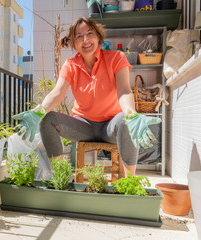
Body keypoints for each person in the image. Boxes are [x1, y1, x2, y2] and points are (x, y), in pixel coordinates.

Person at [13, 17, 161, 176]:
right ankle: (61, 176)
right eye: (79, 36)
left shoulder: (116, 58)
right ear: (74, 43)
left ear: (98, 36)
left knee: (127, 121)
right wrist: (39, 111)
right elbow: (57, 93)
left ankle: (129, 182)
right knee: (47, 119)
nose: (85, 39)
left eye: (90, 33)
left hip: (110, 126)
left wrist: (131, 113)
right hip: (83, 126)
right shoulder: (70, 65)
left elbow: (124, 91)